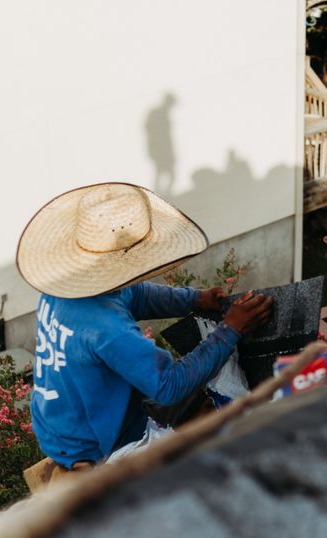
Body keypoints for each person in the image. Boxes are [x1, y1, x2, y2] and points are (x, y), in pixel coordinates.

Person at [16, 182, 272, 470]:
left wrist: (196, 300)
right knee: (215, 465)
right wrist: (230, 330)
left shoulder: (60, 288)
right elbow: (168, 387)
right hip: (99, 447)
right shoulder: (107, 329)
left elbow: (135, 295)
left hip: (62, 423)